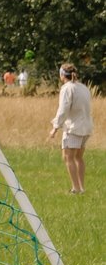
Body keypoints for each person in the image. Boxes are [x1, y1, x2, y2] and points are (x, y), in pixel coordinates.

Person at [53, 64, 93, 195]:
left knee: (68, 157)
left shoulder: (67, 88)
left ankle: (76, 189)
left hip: (74, 128)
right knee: (79, 157)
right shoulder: (83, 87)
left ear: (62, 75)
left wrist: (55, 127)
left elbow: (63, 109)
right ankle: (81, 187)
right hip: (86, 126)